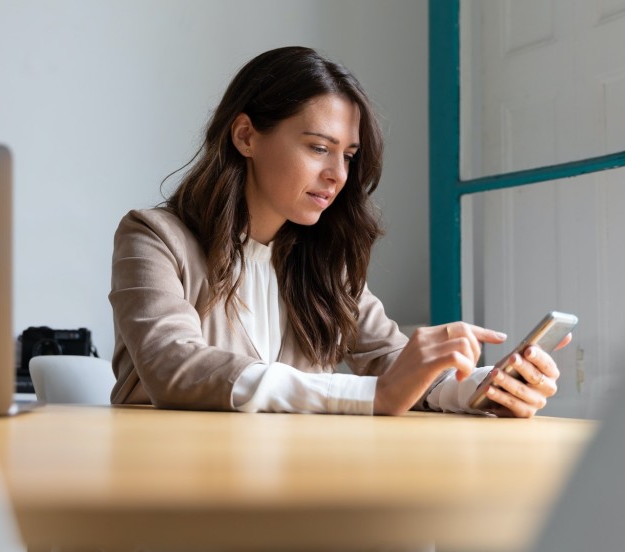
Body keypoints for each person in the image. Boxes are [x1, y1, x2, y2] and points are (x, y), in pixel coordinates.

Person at [109, 45, 569, 418]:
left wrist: (480, 390)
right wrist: (372, 395)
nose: (338, 174)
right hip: (176, 501)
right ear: (246, 136)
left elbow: (392, 363)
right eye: (318, 148)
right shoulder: (153, 238)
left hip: (294, 498)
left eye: (347, 155)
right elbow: (172, 365)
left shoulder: (325, 261)